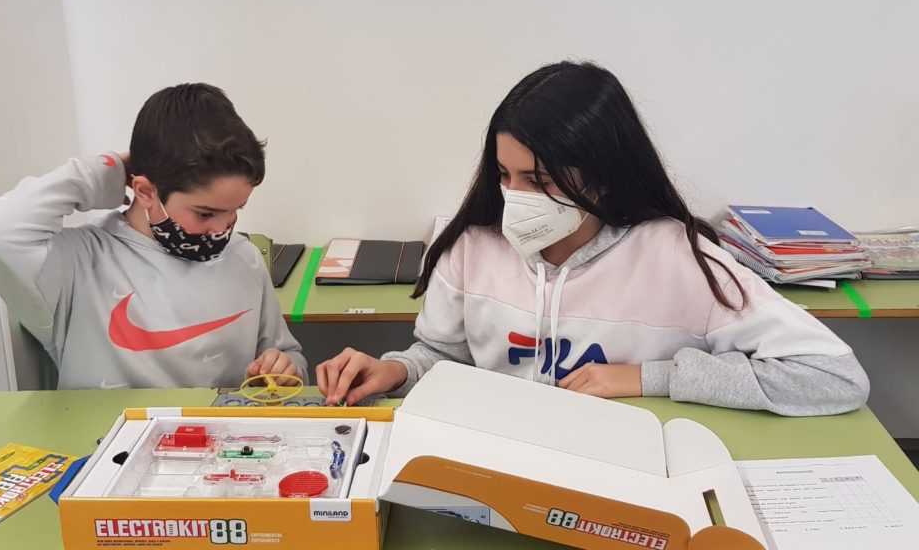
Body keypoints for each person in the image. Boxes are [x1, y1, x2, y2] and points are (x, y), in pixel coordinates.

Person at [316, 61, 868, 416]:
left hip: (624, 475)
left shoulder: (678, 258)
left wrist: (649, 377)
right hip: (496, 466)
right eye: (504, 175)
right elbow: (443, 354)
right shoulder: (474, 245)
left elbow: (832, 376)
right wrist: (396, 370)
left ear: (603, 176)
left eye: (539, 181)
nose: (514, 197)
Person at [0, 83, 305, 389]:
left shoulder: (243, 256)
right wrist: (110, 171)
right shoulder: (78, 264)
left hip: (220, 436)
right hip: (107, 437)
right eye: (205, 213)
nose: (222, 228)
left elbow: (288, 357)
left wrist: (286, 367)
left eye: (235, 210)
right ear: (144, 191)